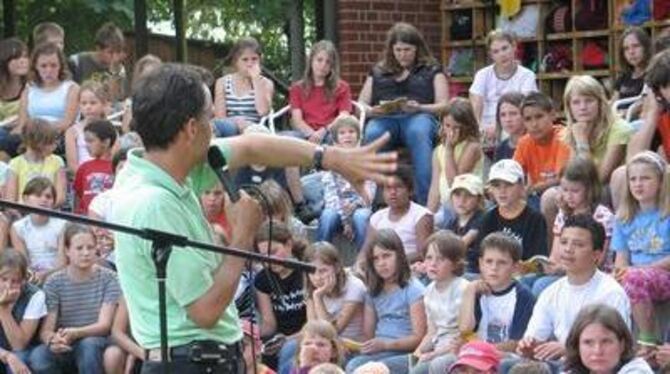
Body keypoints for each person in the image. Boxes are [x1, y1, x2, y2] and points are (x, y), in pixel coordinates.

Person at [111, 63, 395, 373]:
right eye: (210, 116)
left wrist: (332, 158)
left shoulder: (163, 167)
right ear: (191, 129)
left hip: (203, 359)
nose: (216, 124)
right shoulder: (154, 202)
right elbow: (205, 311)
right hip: (188, 363)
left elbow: (250, 146)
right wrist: (243, 235)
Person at [514, 215, 631, 372]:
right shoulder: (550, 292)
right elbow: (535, 337)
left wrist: (569, 350)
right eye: (563, 242)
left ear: (596, 254)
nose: (568, 249)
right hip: (558, 364)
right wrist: (528, 346)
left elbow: (615, 350)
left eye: (578, 244)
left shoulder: (611, 293)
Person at [358, 22, 448, 205]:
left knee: (419, 131)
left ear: (417, 48)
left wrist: (420, 108)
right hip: (385, 119)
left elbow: (444, 105)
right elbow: (360, 105)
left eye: (407, 50)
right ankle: (378, 201)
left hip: (419, 116)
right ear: (391, 49)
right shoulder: (379, 70)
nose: (402, 54)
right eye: (398, 50)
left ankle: (426, 202)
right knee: (373, 133)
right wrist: (372, 110)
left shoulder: (431, 69)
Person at [29, 223, 121, 374]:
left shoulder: (109, 278)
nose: (85, 253)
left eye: (90, 248)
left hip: (96, 340)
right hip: (66, 341)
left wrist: (76, 333)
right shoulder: (54, 282)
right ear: (67, 250)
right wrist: (52, 341)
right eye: (79, 248)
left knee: (88, 346)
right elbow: (46, 330)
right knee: (39, 357)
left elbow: (104, 325)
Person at [345, 229, 426, 373]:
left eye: (386, 256)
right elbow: (368, 334)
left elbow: (419, 337)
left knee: (369, 369)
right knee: (351, 363)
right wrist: (356, 346)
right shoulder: (373, 291)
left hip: (406, 353)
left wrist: (386, 345)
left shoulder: (414, 289)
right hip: (379, 350)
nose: (381, 263)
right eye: (376, 259)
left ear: (399, 256)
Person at [612, 151, 670, 349]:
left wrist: (641, 270)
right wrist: (621, 272)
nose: (638, 184)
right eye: (633, 179)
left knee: (634, 278)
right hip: (636, 276)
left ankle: (648, 340)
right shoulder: (623, 217)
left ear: (661, 182)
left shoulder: (667, 214)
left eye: (645, 178)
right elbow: (621, 258)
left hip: (664, 275)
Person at [456, 232, 535, 365]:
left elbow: (515, 343)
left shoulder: (523, 296)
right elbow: (465, 330)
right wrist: (470, 291)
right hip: (475, 354)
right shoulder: (476, 291)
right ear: (480, 263)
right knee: (441, 363)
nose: (494, 268)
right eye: (489, 261)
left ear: (515, 267)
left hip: (506, 357)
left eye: (502, 263)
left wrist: (479, 350)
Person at [409, 231, 469, 374]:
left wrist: (434, 354)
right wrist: (416, 355)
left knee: (435, 365)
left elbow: (465, 335)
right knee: (414, 368)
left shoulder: (463, 288)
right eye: (429, 258)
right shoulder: (428, 291)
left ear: (455, 264)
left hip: (459, 349)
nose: (433, 264)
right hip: (438, 348)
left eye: (440, 259)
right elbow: (432, 332)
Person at [254, 221, 308, 372]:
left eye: (273, 251)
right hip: (280, 335)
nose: (269, 260)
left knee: (288, 350)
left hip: (306, 333)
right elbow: (269, 324)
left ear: (289, 245)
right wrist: (250, 334)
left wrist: (287, 340)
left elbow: (313, 323)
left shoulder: (305, 271)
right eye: (263, 255)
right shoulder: (263, 279)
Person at [469, 30, 537, 144]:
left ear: (514, 47)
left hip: (514, 125)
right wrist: (478, 128)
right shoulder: (482, 75)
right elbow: (476, 105)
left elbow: (525, 106)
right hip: (484, 127)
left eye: (505, 48)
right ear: (491, 55)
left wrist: (499, 128)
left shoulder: (527, 75)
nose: (502, 54)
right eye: (496, 51)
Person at [317, 115, 374, 249]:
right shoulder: (330, 162)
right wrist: (345, 221)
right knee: (327, 216)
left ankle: (365, 262)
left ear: (358, 136)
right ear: (336, 139)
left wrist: (354, 206)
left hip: (360, 207)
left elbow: (369, 194)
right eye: (342, 133)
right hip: (338, 208)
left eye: (351, 132)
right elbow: (331, 195)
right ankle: (319, 257)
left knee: (361, 217)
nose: (347, 136)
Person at [476, 159, 548, 263]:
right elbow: (480, 255)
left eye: (508, 185)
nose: (502, 191)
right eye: (496, 185)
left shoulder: (535, 219)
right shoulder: (488, 218)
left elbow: (537, 260)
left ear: (521, 186)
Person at [563, 75, 632, 183]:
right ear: (569, 107)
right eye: (576, 102)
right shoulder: (576, 129)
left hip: (608, 187)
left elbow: (600, 178)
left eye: (589, 101)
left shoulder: (619, 128)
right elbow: (572, 174)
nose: (583, 107)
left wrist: (582, 142)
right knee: (551, 195)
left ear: (600, 103)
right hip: (583, 189)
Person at [513, 91, 571, 211]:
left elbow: (561, 178)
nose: (534, 124)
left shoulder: (563, 136)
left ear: (553, 115)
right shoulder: (524, 142)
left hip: (562, 193)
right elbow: (513, 173)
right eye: (528, 119)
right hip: (535, 195)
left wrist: (530, 189)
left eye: (539, 116)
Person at [426, 98, 483, 216]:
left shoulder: (472, 147)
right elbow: (435, 188)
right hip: (445, 206)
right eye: (447, 125)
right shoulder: (438, 150)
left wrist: (449, 150)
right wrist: (429, 214)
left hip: (466, 205)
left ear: (467, 126)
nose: (451, 132)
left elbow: (455, 184)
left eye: (456, 127)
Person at [288, 40, 352, 144]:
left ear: (332, 66)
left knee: (341, 138)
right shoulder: (297, 88)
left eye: (328, 62)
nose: (323, 65)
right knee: (284, 139)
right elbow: (297, 120)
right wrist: (311, 134)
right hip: (304, 134)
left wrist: (323, 131)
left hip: (330, 132)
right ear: (311, 60)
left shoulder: (342, 87)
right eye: (319, 60)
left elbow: (343, 117)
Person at [562, 304, 654, 374]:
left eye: (606, 342)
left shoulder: (637, 370)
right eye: (588, 342)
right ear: (577, 346)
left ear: (622, 345)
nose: (597, 351)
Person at [365, 165, 433, 257]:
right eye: (388, 188)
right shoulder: (376, 218)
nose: (392, 192)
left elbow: (423, 253)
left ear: (410, 190)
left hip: (411, 268)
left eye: (398, 187)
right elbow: (366, 252)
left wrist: (396, 263)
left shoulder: (421, 215)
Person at [9, 177, 66, 285]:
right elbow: (23, 261)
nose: (44, 199)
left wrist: (46, 275)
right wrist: (33, 275)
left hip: (58, 277)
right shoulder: (17, 227)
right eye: (38, 195)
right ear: (25, 199)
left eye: (48, 196)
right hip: (31, 276)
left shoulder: (62, 225)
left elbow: (62, 264)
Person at [305, 242, 366, 342]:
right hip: (321, 342)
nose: (317, 277)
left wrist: (318, 298)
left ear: (337, 268)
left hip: (349, 344)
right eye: (312, 271)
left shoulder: (355, 286)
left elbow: (331, 333)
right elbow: (312, 328)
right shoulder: (311, 286)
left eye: (323, 271)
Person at [213, 37, 274, 137]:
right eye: (245, 60)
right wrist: (237, 123)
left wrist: (256, 80)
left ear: (260, 60)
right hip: (229, 127)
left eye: (254, 59)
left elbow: (263, 111)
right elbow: (220, 117)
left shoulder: (266, 83)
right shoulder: (222, 82)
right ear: (236, 62)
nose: (250, 64)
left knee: (255, 132)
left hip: (255, 129)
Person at [0, 249, 46, 374]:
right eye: (3, 279)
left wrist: (3, 309)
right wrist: (6, 355)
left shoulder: (35, 295)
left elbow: (19, 345)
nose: (8, 286)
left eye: (15, 281)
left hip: (27, 349)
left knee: (19, 362)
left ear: (23, 281)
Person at [18, 42, 79, 136]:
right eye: (43, 66)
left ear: (60, 66)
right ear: (36, 67)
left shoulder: (71, 89)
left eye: (53, 65)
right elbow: (22, 123)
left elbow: (68, 122)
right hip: (30, 136)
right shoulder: (29, 89)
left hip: (59, 137)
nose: (49, 71)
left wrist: (39, 129)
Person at [5, 118, 67, 207]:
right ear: (37, 143)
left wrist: (42, 210)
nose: (55, 146)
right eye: (50, 142)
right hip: (22, 213)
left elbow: (60, 197)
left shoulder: (57, 161)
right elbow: (10, 199)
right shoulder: (15, 163)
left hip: (50, 212)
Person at [68, 22, 127, 102]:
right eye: (110, 52)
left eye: (118, 52)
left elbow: (115, 100)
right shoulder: (77, 62)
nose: (114, 57)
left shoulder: (119, 69)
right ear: (98, 48)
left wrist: (114, 72)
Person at [441, 173, 485, 273]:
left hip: (474, 270)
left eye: (468, 196)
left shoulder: (481, 218)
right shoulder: (452, 221)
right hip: (457, 266)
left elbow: (461, 245)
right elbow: (441, 243)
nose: (462, 200)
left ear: (479, 199)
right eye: (457, 195)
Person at [64, 80, 111, 172]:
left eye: (93, 103)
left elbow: (113, 158)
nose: (88, 107)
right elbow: (72, 164)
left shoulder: (110, 130)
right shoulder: (72, 132)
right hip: (82, 177)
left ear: (103, 104)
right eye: (84, 103)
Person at [73, 119, 116, 214]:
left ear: (106, 142)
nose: (86, 145)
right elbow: (78, 197)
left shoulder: (117, 167)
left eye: (90, 141)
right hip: (85, 221)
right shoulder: (84, 167)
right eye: (85, 141)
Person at [0, 38, 29, 160]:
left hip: (23, 135)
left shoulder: (32, 86)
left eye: (25, 57)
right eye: (16, 58)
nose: (23, 61)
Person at [103, 297, 144, 374]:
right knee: (112, 356)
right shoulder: (129, 294)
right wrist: (136, 352)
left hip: (154, 345)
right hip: (132, 347)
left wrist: (133, 356)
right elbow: (117, 333)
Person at [613, 27, 652, 101]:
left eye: (636, 46)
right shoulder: (623, 77)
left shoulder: (654, 75)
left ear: (646, 47)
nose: (631, 52)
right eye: (626, 48)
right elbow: (613, 103)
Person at [494, 92, 526, 162]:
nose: (508, 119)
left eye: (513, 114)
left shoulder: (535, 143)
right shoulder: (501, 148)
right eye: (503, 115)